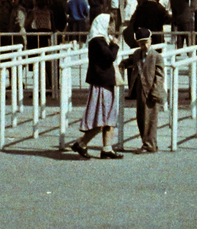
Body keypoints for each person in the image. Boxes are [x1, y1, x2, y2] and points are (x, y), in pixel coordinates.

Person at [71, 13, 121, 160]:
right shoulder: (98, 41)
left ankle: (107, 148)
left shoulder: (100, 39)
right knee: (101, 117)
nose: (112, 27)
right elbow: (110, 57)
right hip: (101, 81)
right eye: (111, 24)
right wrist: (115, 45)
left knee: (108, 116)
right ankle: (81, 143)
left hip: (105, 81)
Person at [123, 29, 166, 153]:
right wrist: (123, 63)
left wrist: (155, 91)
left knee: (151, 118)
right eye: (142, 43)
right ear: (138, 43)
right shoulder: (137, 54)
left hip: (151, 91)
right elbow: (131, 61)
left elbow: (160, 76)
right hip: (140, 90)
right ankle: (146, 142)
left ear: (151, 40)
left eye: (146, 42)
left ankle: (150, 144)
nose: (145, 46)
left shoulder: (156, 57)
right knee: (141, 117)